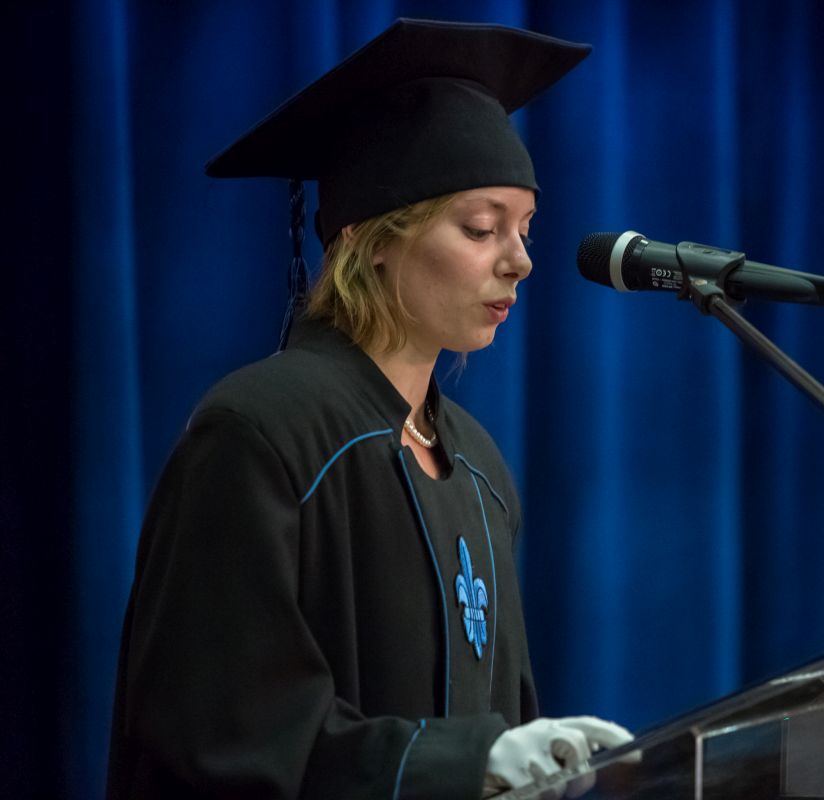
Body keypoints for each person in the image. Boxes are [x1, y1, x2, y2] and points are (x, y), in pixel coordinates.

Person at [106, 18, 633, 800]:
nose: (520, 260)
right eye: (482, 228)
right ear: (372, 238)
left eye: (525, 229)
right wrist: (466, 764)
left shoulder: (480, 469)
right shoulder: (261, 430)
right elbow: (222, 726)